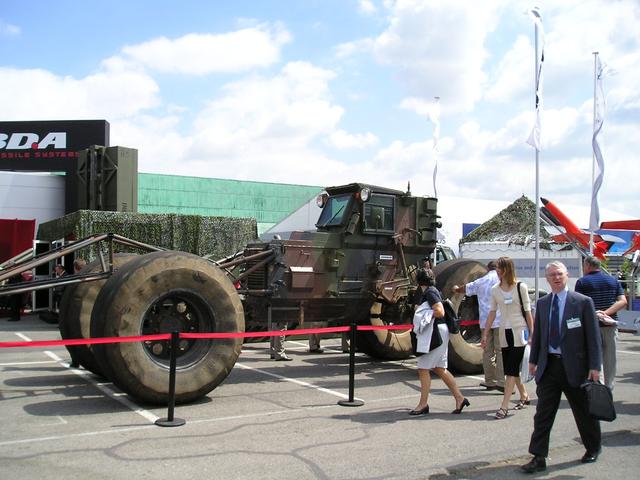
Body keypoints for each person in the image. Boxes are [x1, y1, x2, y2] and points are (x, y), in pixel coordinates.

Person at [521, 261, 602, 473]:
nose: (556, 278)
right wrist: (534, 361)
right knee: (543, 414)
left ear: (567, 276)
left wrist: (595, 366)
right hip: (549, 366)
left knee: (583, 412)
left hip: (576, 366)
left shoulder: (582, 302)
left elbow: (593, 338)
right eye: (552, 275)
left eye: (559, 274)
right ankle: (538, 457)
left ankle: (592, 447)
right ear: (547, 279)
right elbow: (538, 334)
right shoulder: (544, 303)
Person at [410, 268, 469, 416]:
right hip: (440, 331)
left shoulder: (429, 292)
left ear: (418, 281)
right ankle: (459, 398)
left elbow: (439, 311)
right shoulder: (433, 290)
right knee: (439, 368)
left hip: (434, 332)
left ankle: (423, 404)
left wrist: (422, 314)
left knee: (423, 368)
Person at [482, 256, 533, 419]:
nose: (497, 271)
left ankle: (504, 406)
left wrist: (533, 334)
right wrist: (485, 332)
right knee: (512, 367)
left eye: (500, 268)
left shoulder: (520, 287)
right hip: (504, 332)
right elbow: (492, 312)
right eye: (497, 267)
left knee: (510, 369)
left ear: (507, 269)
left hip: (520, 332)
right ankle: (524, 395)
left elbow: (527, 312)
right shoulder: (495, 289)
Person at [575, 255, 627, 390]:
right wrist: (607, 312)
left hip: (591, 327)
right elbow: (623, 301)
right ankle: (609, 388)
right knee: (610, 359)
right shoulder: (613, 281)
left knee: (595, 358)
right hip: (610, 325)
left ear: (587, 265)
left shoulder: (582, 282)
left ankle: (599, 388)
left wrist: (596, 313)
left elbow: (579, 305)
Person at [453, 260, 505, 392]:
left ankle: (489, 381)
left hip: (485, 322)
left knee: (487, 352)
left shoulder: (482, 281)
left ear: (488, 269)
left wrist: (456, 289)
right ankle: (502, 383)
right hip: (501, 321)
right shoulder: (502, 280)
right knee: (500, 352)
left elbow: (466, 289)